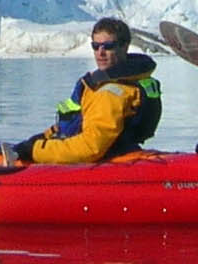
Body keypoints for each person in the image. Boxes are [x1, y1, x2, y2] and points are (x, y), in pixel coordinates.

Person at [11, 17, 163, 164]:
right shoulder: (104, 84)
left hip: (102, 161)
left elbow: (90, 147)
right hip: (114, 154)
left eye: (108, 46)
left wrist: (34, 151)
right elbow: (74, 123)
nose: (100, 53)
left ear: (124, 46)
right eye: (95, 46)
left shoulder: (110, 93)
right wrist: (38, 140)